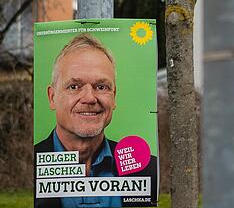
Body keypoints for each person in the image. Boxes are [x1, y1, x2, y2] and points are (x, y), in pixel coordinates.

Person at [35, 34, 157, 208]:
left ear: (113, 98)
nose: (89, 98)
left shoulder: (147, 169)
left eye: (101, 87)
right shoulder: (29, 167)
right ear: (52, 97)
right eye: (74, 86)